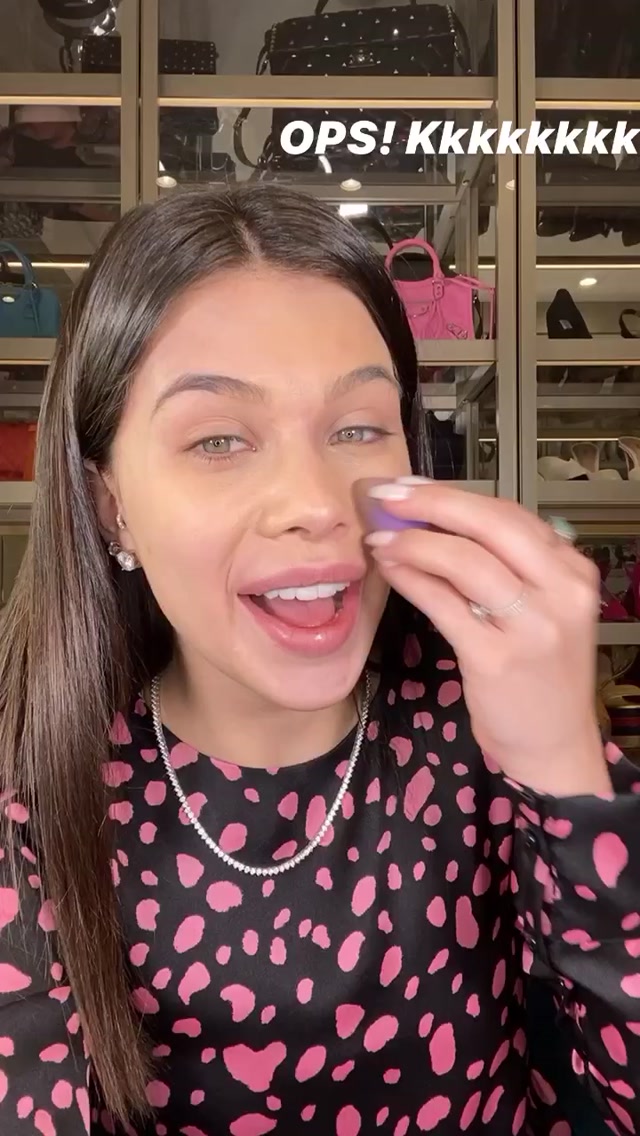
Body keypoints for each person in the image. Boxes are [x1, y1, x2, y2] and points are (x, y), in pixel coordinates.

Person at [0, 185, 637, 1136]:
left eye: (357, 428)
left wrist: (564, 763)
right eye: (219, 439)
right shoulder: (37, 793)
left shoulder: (482, 724)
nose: (316, 502)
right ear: (109, 504)